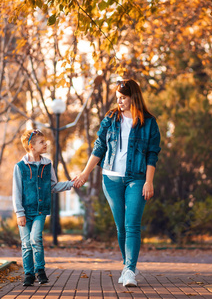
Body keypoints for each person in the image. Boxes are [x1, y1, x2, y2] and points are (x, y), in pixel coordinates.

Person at [73, 78, 161, 287]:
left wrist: (149, 182)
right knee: (121, 226)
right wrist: (85, 173)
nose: (119, 102)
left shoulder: (149, 122)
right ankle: (127, 264)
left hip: (137, 178)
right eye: (118, 98)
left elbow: (152, 154)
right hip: (111, 178)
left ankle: (129, 270)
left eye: (123, 98)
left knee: (132, 226)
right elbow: (99, 146)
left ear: (133, 97)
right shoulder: (111, 118)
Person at [12, 129, 73, 286]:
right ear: (31, 146)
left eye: (45, 141)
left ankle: (40, 270)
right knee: (26, 244)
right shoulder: (20, 167)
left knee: (35, 238)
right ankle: (29, 274)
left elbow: (53, 186)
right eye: (41, 142)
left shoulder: (48, 164)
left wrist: (71, 183)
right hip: (24, 212)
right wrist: (19, 213)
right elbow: (16, 192)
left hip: (40, 210)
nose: (45, 144)